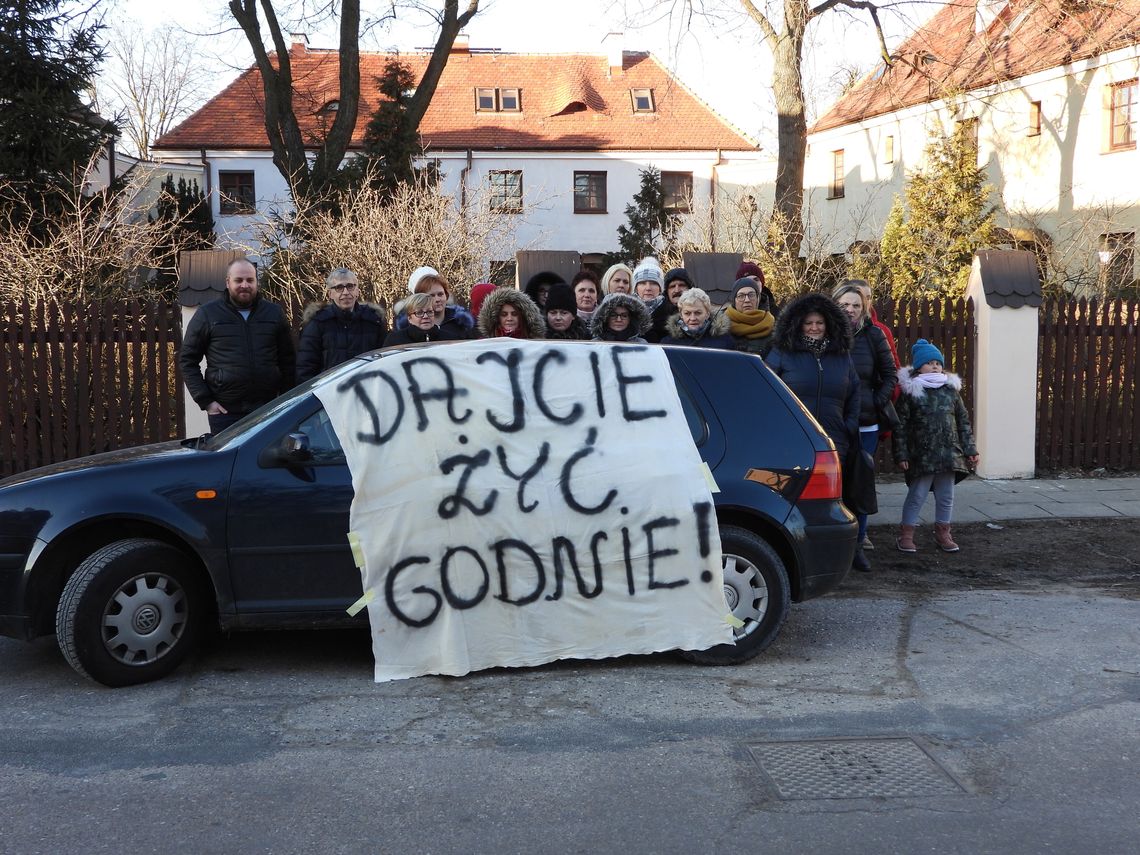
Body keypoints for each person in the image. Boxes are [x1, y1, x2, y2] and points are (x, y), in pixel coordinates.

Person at [180, 257, 296, 434]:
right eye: (238, 280)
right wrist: (206, 401)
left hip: (268, 409)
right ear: (228, 282)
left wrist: (285, 399)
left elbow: (288, 360)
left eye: (250, 280)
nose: (245, 285)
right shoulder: (208, 314)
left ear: (257, 282)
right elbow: (187, 360)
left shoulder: (274, 313)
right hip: (226, 413)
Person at [832, 280, 898, 568]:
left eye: (855, 305)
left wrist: (874, 400)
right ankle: (833, 546)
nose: (849, 310)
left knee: (859, 486)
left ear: (864, 308)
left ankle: (858, 545)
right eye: (844, 304)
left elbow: (891, 375)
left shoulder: (874, 336)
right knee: (833, 486)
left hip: (865, 425)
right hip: (832, 425)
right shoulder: (824, 334)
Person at [893, 339, 980, 554]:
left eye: (938, 363)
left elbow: (963, 421)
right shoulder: (911, 392)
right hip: (922, 454)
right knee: (917, 494)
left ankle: (943, 533)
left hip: (950, 452)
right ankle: (906, 534)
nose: (935, 366)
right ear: (918, 366)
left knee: (946, 495)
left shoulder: (951, 391)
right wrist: (901, 453)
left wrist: (970, 449)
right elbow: (900, 425)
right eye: (929, 362)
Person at [765, 292, 860, 460]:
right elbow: (766, 390)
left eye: (819, 323)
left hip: (834, 441)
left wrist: (848, 426)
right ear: (799, 324)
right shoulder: (783, 353)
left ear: (828, 324)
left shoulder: (842, 355)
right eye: (808, 323)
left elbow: (854, 393)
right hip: (792, 439)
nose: (814, 328)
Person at [296, 268, 388, 384]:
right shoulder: (317, 324)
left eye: (350, 286)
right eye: (339, 288)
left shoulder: (373, 322)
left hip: (367, 392)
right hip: (329, 394)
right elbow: (306, 369)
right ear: (330, 294)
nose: (345, 292)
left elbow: (384, 363)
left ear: (357, 291)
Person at [396, 267, 475, 340]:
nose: (437, 299)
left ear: (446, 295)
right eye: (431, 296)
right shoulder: (406, 330)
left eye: (440, 294)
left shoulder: (461, 324)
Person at [659, 288, 733, 348]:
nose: (693, 318)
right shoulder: (668, 343)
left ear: (707, 314)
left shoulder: (725, 341)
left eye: (698, 313)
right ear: (681, 315)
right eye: (687, 313)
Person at [724, 277, 776, 356]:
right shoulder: (721, 328)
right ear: (734, 301)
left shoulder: (773, 329)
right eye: (741, 296)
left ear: (758, 298)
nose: (747, 300)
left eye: (751, 295)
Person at [383, 293, 460, 346]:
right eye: (419, 313)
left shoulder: (450, 339)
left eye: (430, 312)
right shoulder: (394, 341)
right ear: (409, 317)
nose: (425, 316)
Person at [476, 287, 545, 339]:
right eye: (504, 314)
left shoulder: (537, 343)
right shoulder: (484, 344)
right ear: (497, 318)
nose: (509, 318)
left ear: (522, 316)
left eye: (514, 314)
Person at [647, 267, 693, 343]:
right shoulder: (656, 319)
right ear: (667, 292)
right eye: (672, 286)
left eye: (681, 285)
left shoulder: (701, 313)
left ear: (690, 288)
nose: (677, 290)